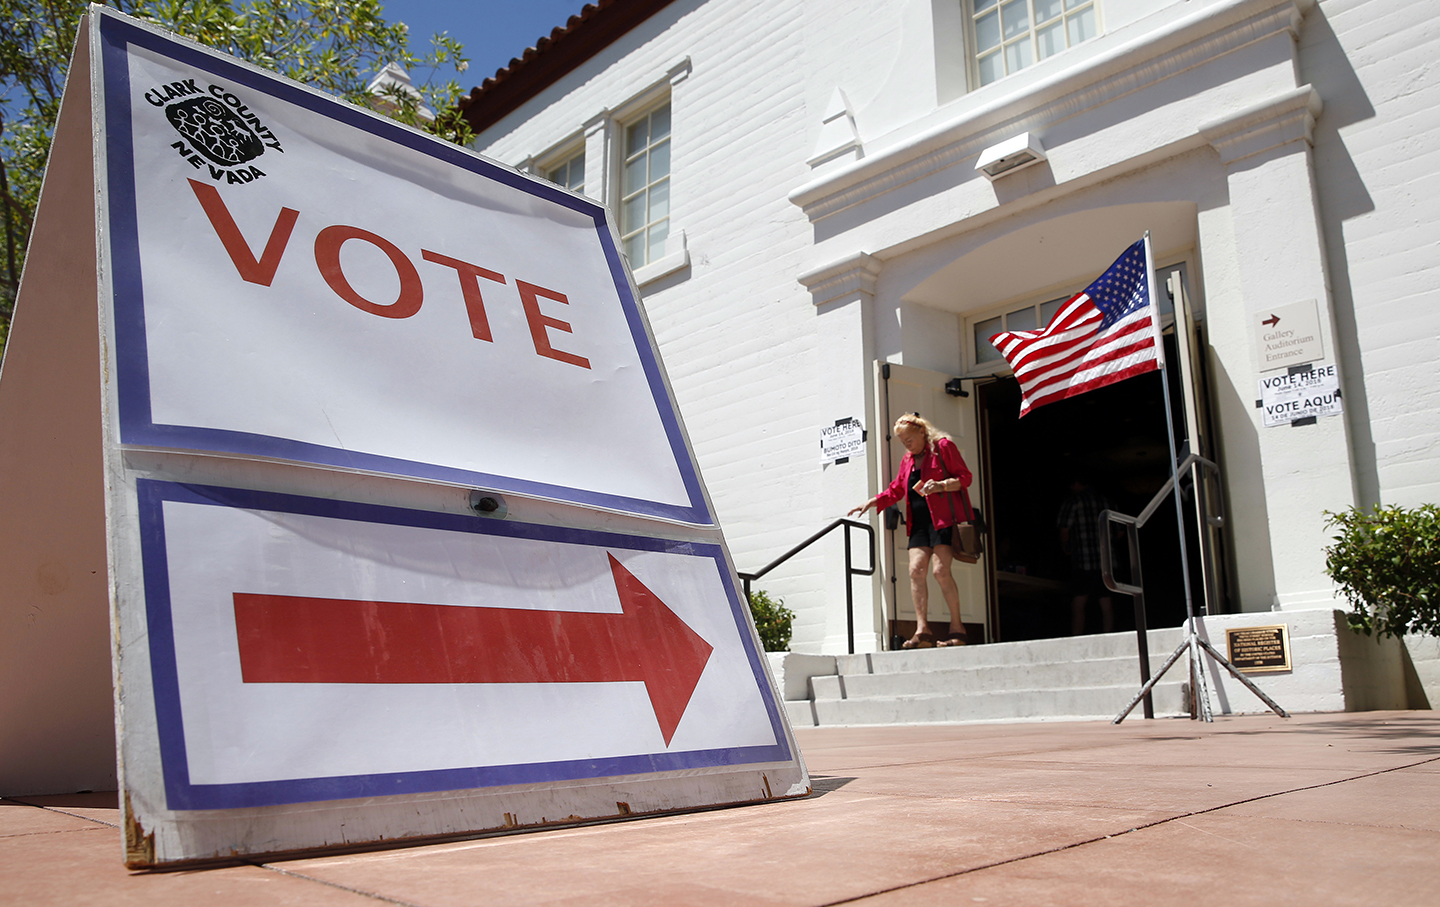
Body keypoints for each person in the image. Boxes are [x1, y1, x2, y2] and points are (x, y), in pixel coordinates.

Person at [849, 413, 974, 648]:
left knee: (940, 571)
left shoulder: (943, 447)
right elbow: (896, 489)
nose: (906, 443)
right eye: (902, 440)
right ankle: (922, 631)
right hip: (918, 523)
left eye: (909, 438)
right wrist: (873, 501)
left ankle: (958, 630)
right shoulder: (908, 459)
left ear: (922, 432)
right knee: (916, 570)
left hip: (943, 520)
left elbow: (965, 478)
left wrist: (941, 485)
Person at [1056, 476, 1115, 636]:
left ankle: (1077, 637)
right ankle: (1109, 635)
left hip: (1083, 558)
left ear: (1076, 482)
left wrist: (1065, 547)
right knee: (1106, 599)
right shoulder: (1105, 502)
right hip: (1106, 559)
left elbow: (1064, 530)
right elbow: (1120, 531)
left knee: (1079, 600)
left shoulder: (1074, 502)